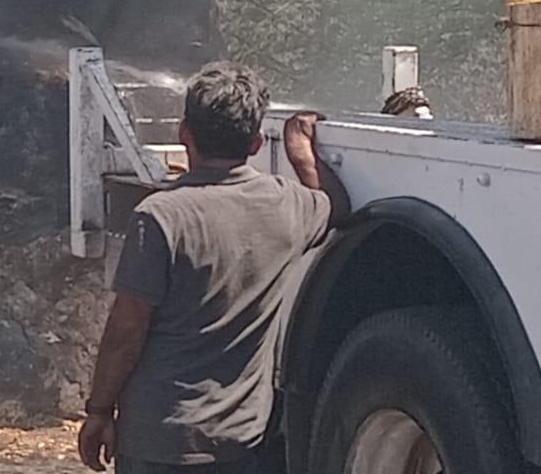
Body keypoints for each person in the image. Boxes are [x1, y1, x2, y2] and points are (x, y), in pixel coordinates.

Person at [78, 63, 349, 473]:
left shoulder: (160, 217)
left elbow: (125, 333)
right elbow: (335, 204)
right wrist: (298, 147)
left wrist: (98, 411)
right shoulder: (287, 207)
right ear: (257, 142)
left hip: (159, 441)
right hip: (238, 442)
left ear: (183, 133)